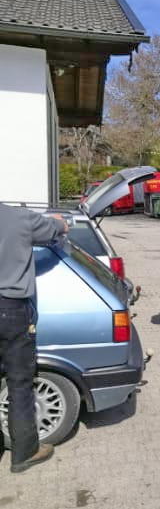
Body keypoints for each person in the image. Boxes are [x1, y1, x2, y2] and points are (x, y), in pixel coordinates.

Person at [1, 203, 70, 473]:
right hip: (11, 310)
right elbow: (58, 227)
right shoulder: (19, 218)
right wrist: (60, 222)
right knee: (19, 383)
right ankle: (24, 454)